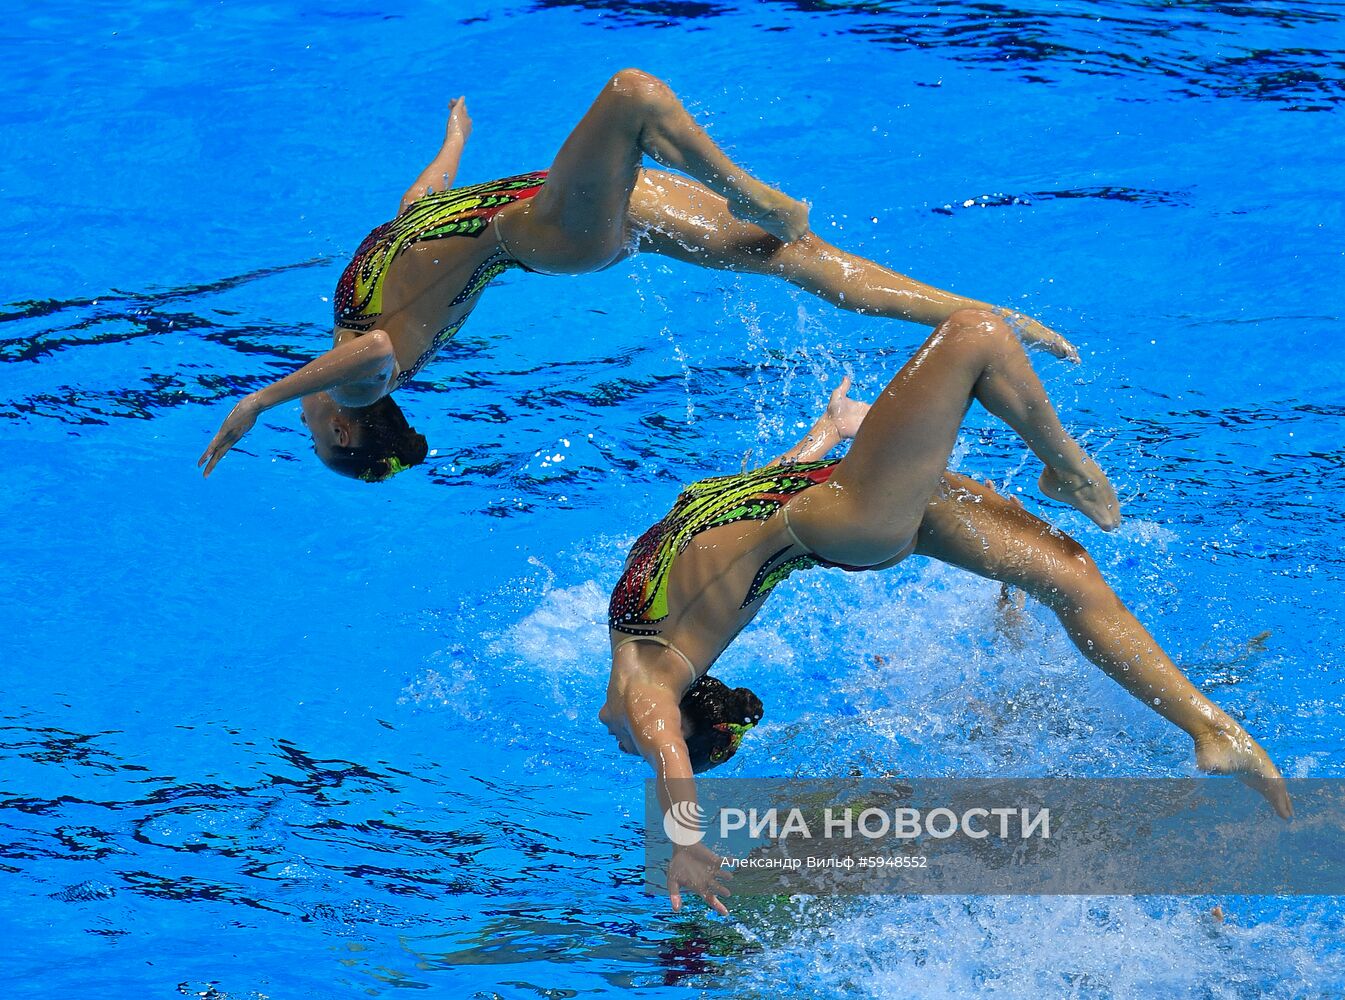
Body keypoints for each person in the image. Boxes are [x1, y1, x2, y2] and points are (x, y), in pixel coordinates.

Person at [597, 308, 1291, 916]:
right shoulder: (652, 677)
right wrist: (685, 845)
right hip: (851, 514)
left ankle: (1208, 727)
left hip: (838, 491)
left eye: (633, 740)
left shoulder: (640, 639)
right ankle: (1066, 469)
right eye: (645, 740)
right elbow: (666, 755)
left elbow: (741, 503)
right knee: (974, 333)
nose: (631, 738)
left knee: (1072, 575)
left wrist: (825, 432)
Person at [198, 70, 1078, 482]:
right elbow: (372, 358)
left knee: (792, 264)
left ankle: (987, 320)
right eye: (318, 436)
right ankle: (754, 192)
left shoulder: (360, 314)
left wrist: (455, 139)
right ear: (349, 432)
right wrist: (254, 406)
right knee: (632, 98)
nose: (315, 424)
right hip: (551, 231)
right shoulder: (370, 368)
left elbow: (412, 212)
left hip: (561, 210)